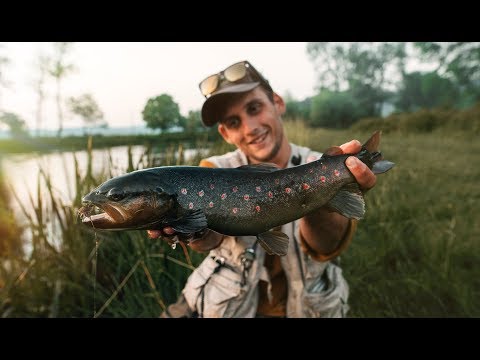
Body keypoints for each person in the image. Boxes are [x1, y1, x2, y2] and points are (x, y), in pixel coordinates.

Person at [147, 60, 377, 318]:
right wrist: (191, 232)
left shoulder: (320, 166)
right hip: (223, 303)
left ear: (277, 103)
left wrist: (321, 193)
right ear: (225, 133)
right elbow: (210, 241)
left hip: (309, 306)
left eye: (254, 108)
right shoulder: (211, 170)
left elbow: (326, 246)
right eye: (234, 122)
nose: (250, 127)